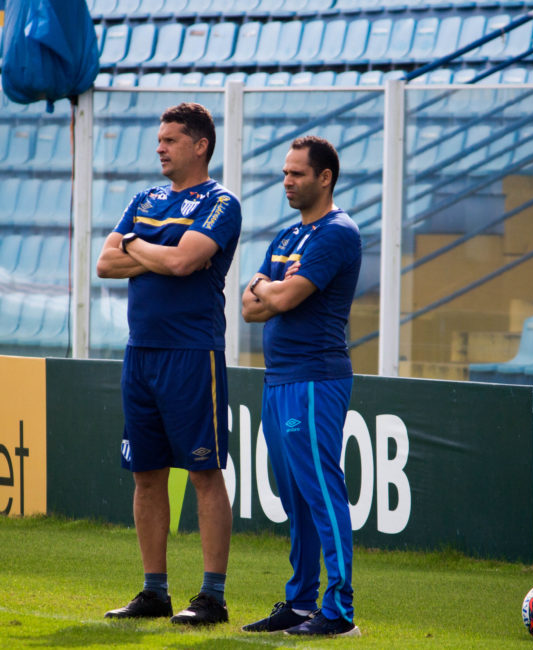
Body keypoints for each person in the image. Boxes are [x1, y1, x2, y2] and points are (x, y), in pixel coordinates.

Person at [97, 102, 241, 625]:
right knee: (146, 473)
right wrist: (157, 247)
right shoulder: (146, 198)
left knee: (204, 472)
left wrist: (137, 242)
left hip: (191, 352)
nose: (160, 146)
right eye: (159, 139)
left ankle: (212, 596)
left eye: (171, 139)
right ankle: (153, 591)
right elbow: (104, 263)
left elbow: (185, 261)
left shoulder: (221, 202)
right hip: (141, 353)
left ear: (200, 145)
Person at [241, 136, 362, 637]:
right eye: (285, 173)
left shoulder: (337, 233)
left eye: (296, 174)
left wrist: (269, 288)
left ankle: (339, 613)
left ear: (324, 177)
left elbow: (281, 296)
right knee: (297, 498)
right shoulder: (288, 237)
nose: (286, 181)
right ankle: (299, 603)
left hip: (314, 379)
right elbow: (247, 306)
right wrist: (271, 291)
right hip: (280, 379)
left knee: (321, 492)